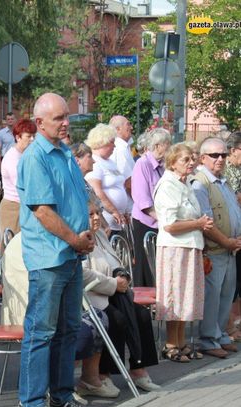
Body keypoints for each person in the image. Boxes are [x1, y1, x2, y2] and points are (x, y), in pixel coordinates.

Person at [17, 93, 94, 407]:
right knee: (41, 332)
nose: (66, 123)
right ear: (39, 123)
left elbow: (77, 198)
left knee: (68, 331)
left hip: (72, 254)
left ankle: (61, 396)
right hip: (50, 256)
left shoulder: (63, 152)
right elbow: (43, 212)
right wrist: (76, 239)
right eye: (59, 118)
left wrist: (87, 228)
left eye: (67, 116)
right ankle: (32, 401)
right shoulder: (36, 157)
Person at [2, 230, 114, 401]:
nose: (95, 218)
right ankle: (40, 396)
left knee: (102, 316)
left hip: (58, 295)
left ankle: (79, 384)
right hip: (28, 309)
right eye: (90, 214)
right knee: (52, 333)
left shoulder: (79, 236)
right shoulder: (35, 240)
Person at [83, 202, 160, 393]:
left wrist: (122, 275)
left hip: (112, 292)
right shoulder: (79, 237)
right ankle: (103, 373)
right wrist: (113, 283)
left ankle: (138, 369)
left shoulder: (100, 233)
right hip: (90, 296)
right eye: (90, 214)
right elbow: (82, 274)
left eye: (98, 212)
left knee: (141, 315)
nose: (96, 217)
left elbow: (115, 261)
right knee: (115, 319)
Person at [154, 143, 212, 362]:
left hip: (190, 245)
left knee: (185, 296)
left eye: (191, 159)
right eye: (185, 160)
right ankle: (170, 343)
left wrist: (200, 224)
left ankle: (181, 341)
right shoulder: (167, 185)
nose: (191, 163)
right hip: (174, 247)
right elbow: (169, 224)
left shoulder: (185, 183)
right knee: (174, 295)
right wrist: (197, 223)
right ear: (172, 163)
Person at [191, 137, 241, 358]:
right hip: (215, 249)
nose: (220, 159)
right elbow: (206, 222)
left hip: (229, 249)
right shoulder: (201, 183)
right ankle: (208, 340)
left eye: (223, 155)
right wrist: (226, 241)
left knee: (226, 295)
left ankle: (219, 335)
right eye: (214, 155)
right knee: (212, 297)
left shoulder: (223, 180)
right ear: (203, 157)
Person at [131, 128, 172, 287]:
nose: (170, 148)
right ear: (157, 146)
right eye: (168, 144)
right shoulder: (142, 164)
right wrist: (165, 220)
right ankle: (143, 309)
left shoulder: (163, 165)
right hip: (146, 223)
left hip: (161, 224)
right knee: (145, 266)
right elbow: (143, 201)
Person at [85, 124, 129, 235]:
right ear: (102, 142)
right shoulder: (95, 162)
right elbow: (97, 192)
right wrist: (114, 211)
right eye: (112, 142)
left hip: (119, 220)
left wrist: (124, 211)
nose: (114, 146)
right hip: (107, 220)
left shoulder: (110, 162)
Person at [0, 118, 36, 242]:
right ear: (18, 137)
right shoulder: (12, 158)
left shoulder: (26, 155)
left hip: (25, 205)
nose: (32, 140)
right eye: (29, 136)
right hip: (13, 207)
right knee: (12, 246)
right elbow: (22, 186)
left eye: (34, 136)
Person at [224, 132, 241, 342]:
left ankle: (236, 321)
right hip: (229, 235)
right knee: (231, 283)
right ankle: (230, 324)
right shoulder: (227, 171)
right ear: (234, 150)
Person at [109, 115, 134, 198]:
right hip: (128, 204)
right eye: (128, 124)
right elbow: (128, 182)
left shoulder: (123, 147)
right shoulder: (120, 149)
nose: (131, 127)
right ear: (118, 129)